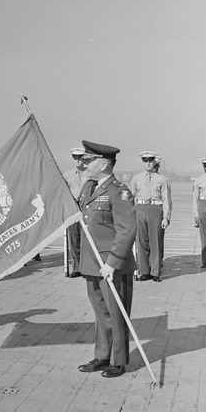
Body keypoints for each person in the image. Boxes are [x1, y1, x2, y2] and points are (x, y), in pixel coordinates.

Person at [76, 141, 137, 378]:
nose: (84, 164)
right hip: (92, 262)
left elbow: (126, 230)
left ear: (103, 164)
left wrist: (113, 263)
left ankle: (119, 361)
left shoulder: (119, 191)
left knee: (116, 312)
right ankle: (102, 356)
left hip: (112, 265)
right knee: (100, 311)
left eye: (88, 160)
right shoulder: (88, 188)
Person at [129, 151, 171, 282]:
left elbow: (166, 199)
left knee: (155, 241)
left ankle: (155, 272)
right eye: (145, 161)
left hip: (155, 209)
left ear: (154, 162)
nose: (147, 163)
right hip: (140, 210)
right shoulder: (136, 179)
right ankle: (144, 271)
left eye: (150, 161)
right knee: (141, 242)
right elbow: (130, 197)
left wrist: (166, 217)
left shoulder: (162, 179)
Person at [63, 147, 87, 277]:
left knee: (86, 239)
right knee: (74, 239)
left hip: (86, 209)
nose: (78, 160)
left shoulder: (90, 174)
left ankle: (86, 267)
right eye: (75, 157)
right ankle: (77, 267)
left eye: (80, 157)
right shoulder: (67, 176)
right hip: (73, 209)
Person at [153, 156, 171, 267]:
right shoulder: (141, 179)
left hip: (158, 212)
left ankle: (158, 262)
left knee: (158, 240)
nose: (154, 167)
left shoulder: (163, 180)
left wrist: (167, 217)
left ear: (158, 166)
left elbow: (168, 200)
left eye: (156, 165)